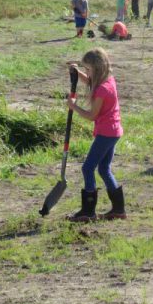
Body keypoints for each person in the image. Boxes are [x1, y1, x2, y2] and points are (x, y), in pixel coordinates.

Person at [66, 48, 126, 222]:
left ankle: (88, 211)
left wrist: (74, 106)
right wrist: (76, 72)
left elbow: (92, 116)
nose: (87, 73)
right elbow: (91, 82)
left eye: (88, 69)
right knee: (104, 168)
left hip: (106, 133)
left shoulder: (102, 90)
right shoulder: (108, 80)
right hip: (113, 131)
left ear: (97, 69)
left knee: (87, 168)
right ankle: (118, 209)